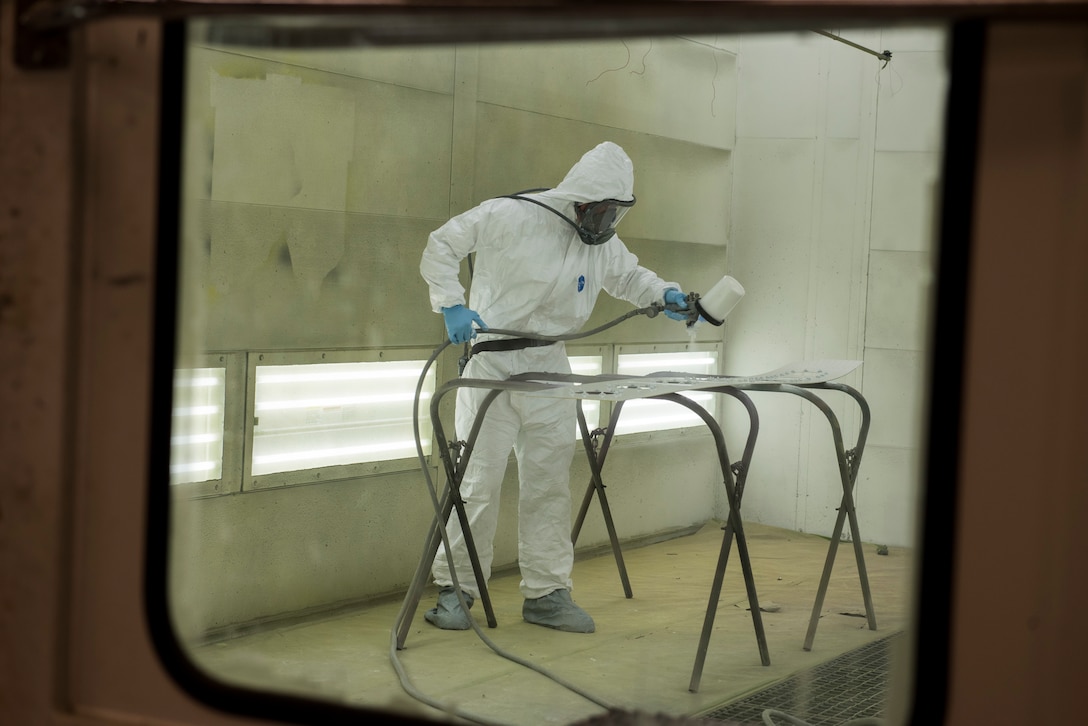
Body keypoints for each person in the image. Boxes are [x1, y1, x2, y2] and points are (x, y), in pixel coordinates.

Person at [419, 141, 693, 633]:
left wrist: (665, 294)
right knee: (478, 483)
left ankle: (547, 593)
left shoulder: (601, 243)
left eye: (616, 216)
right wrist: (450, 303)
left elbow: (629, 276)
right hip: (492, 367)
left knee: (548, 485)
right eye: (604, 213)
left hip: (550, 366)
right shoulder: (510, 216)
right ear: (581, 202)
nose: (608, 225)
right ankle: (457, 589)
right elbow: (443, 243)